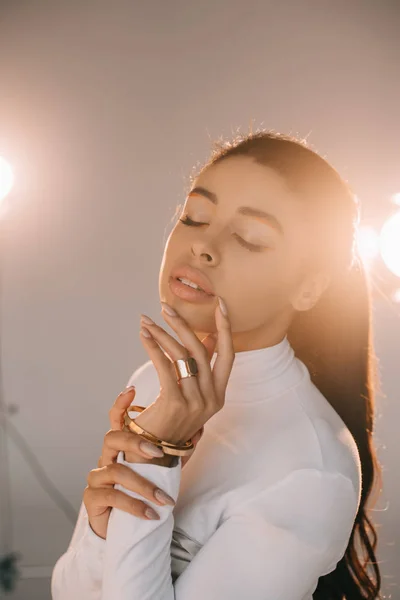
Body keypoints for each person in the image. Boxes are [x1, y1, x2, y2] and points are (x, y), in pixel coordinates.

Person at [51, 130, 382, 599]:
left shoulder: (311, 471)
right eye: (194, 216)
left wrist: (159, 457)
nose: (203, 245)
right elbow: (67, 590)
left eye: (249, 238)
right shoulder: (155, 383)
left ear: (308, 288)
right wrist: (105, 533)